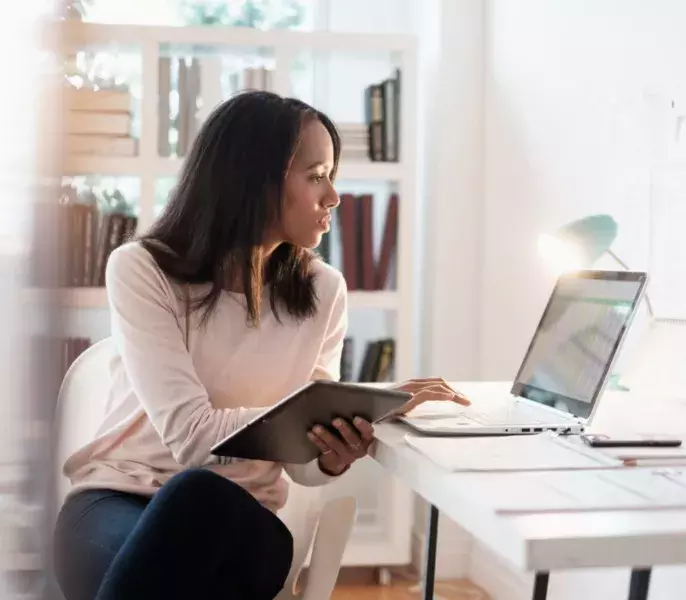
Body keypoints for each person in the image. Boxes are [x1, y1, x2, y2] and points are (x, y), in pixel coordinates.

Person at [53, 91, 470, 600]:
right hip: (115, 502)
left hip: (240, 521)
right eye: (317, 176)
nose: (334, 196)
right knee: (190, 509)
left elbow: (300, 467)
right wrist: (303, 416)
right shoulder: (142, 269)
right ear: (254, 180)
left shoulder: (323, 291)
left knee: (203, 505)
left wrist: (331, 451)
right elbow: (191, 438)